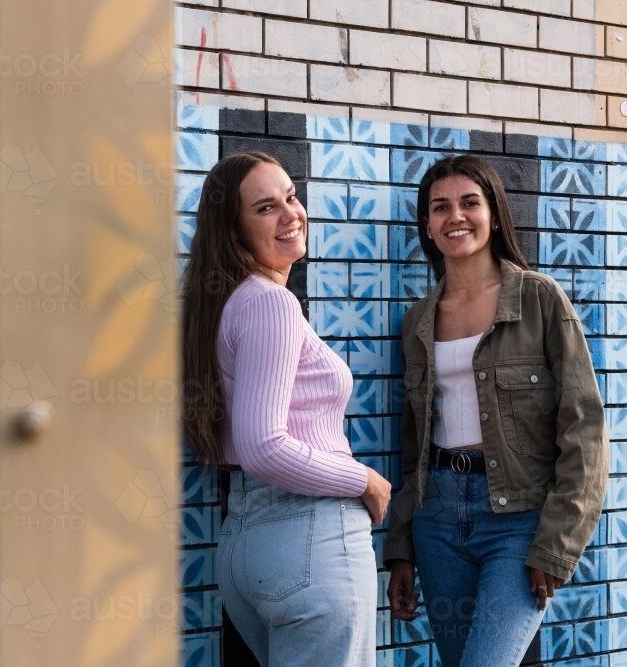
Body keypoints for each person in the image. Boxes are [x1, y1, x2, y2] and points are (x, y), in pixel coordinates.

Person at [384, 155, 609, 667]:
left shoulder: (540, 300)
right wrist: (401, 547)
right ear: (428, 225)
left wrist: (559, 542)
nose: (455, 216)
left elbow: (585, 426)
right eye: (440, 207)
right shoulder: (418, 320)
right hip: (437, 520)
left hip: (518, 520)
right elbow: (413, 440)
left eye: (469, 202)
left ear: (494, 212)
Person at [182, 151, 391, 667]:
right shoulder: (271, 304)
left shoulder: (225, 304)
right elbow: (263, 446)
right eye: (265, 208)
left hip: (246, 547)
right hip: (311, 540)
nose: (290, 214)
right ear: (234, 231)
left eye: (291, 198)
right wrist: (362, 480)